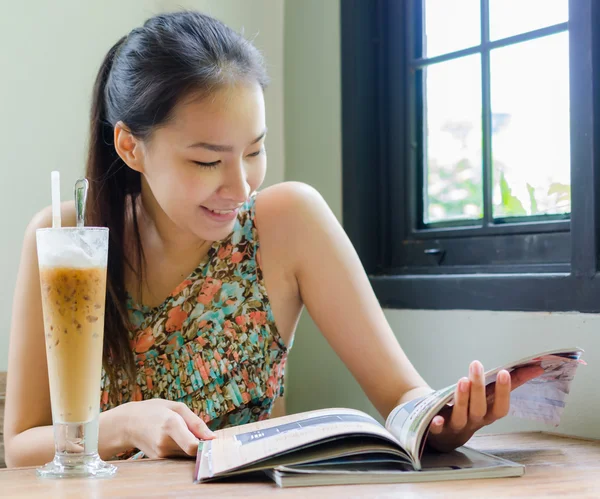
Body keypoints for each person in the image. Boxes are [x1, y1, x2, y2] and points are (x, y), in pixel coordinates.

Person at [3, 11, 542, 467]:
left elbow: (404, 396)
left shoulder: (288, 221)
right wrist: (120, 425)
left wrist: (442, 424)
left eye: (254, 151)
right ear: (130, 146)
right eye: (207, 160)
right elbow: (20, 445)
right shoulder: (64, 242)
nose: (240, 187)